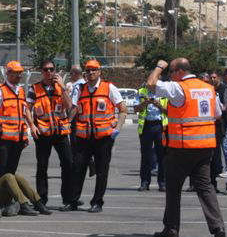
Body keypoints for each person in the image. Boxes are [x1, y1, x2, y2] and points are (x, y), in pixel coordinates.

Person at [147, 58, 225, 237]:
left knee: (173, 189)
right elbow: (217, 114)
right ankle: (217, 227)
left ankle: (172, 228)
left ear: (179, 72)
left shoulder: (179, 88)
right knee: (205, 188)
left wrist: (159, 67)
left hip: (181, 147)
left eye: (171, 73)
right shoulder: (208, 88)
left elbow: (151, 83)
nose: (170, 77)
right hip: (205, 147)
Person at [64, 59, 126, 213]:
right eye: (88, 70)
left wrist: (117, 128)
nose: (91, 73)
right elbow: (74, 108)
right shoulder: (80, 89)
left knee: (101, 170)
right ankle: (72, 201)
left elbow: (123, 109)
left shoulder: (108, 88)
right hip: (83, 137)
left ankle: (97, 202)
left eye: (94, 70)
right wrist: (67, 122)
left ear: (99, 71)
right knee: (78, 168)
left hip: (103, 138)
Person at [26, 58, 72, 214]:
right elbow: (27, 109)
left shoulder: (61, 88)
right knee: (42, 167)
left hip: (60, 132)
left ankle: (67, 199)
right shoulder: (35, 88)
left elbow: (69, 106)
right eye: (46, 69)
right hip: (43, 132)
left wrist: (63, 88)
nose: (49, 72)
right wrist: (32, 126)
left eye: (51, 69)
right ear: (41, 71)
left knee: (68, 163)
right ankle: (42, 200)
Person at [0, 61, 36, 188]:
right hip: (3, 138)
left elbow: (23, 112)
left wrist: (29, 128)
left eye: (20, 73)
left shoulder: (21, 91)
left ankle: (7, 199)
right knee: (0, 169)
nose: (19, 75)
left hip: (17, 139)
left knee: (11, 171)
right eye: (16, 73)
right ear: (8, 73)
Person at [133, 82, 167, 192]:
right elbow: (136, 109)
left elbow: (170, 111)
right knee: (145, 155)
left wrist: (159, 105)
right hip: (146, 126)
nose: (152, 86)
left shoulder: (165, 93)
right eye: (150, 84)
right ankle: (144, 182)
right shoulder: (141, 92)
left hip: (161, 126)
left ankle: (162, 183)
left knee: (162, 156)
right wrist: (145, 103)